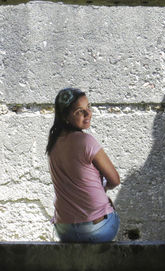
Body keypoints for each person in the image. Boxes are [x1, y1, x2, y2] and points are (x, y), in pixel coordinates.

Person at [46, 88, 121, 242]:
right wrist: (103, 188)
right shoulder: (86, 141)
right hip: (96, 229)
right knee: (111, 209)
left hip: (64, 230)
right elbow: (115, 180)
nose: (88, 114)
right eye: (80, 111)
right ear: (66, 117)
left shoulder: (53, 144)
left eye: (89, 107)